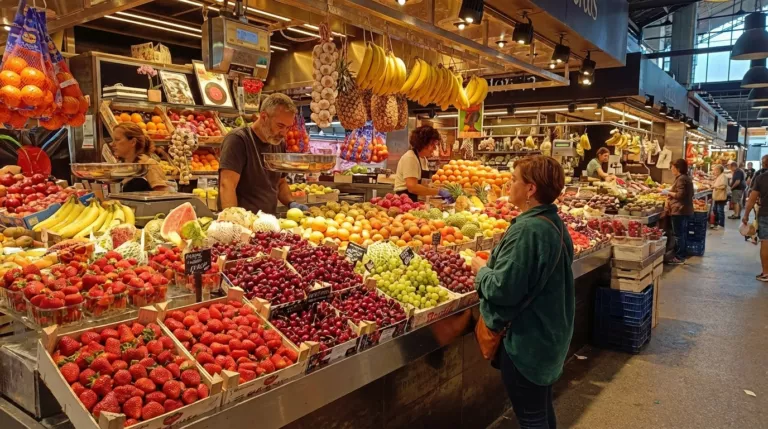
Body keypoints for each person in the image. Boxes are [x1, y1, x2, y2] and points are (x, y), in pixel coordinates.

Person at [471, 156, 574, 429]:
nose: (509, 183)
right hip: (549, 335)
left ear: (530, 189)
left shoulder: (528, 230)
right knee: (540, 408)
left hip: (527, 342)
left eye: (515, 179)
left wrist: (481, 270)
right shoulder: (554, 224)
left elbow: (503, 289)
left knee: (531, 417)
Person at [218, 93, 308, 214]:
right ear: (264, 117)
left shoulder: (278, 143)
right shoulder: (238, 140)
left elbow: (280, 182)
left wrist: (291, 203)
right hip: (245, 221)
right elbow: (227, 185)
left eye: (287, 128)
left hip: (267, 222)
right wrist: (234, 221)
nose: (284, 133)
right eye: (280, 125)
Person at [394, 125, 452, 202]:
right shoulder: (410, 158)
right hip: (405, 202)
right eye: (432, 144)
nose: (435, 148)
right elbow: (412, 187)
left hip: (417, 202)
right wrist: (438, 191)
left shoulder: (424, 159)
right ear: (423, 143)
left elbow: (424, 185)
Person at [111, 123, 169, 192]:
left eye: (117, 140)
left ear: (133, 142)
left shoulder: (148, 165)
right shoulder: (121, 164)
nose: (112, 144)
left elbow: (162, 194)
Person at [663, 159, 694, 265]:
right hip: (684, 209)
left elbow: (680, 195)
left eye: (672, 167)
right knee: (682, 234)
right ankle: (681, 255)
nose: (671, 169)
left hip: (679, 210)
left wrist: (667, 192)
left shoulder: (681, 179)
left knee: (679, 234)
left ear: (678, 168)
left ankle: (679, 257)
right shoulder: (686, 178)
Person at [743, 155, 768, 281]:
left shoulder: (761, 177)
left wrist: (746, 214)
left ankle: (766, 273)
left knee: (765, 241)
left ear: (764, 165)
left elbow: (752, 199)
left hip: (765, 213)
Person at [711, 164, 727, 230]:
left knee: (720, 211)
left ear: (719, 170)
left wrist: (715, 187)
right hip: (717, 196)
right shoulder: (719, 176)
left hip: (721, 196)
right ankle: (716, 223)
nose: (714, 172)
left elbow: (723, 186)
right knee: (715, 210)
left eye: (715, 170)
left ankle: (721, 224)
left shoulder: (723, 177)